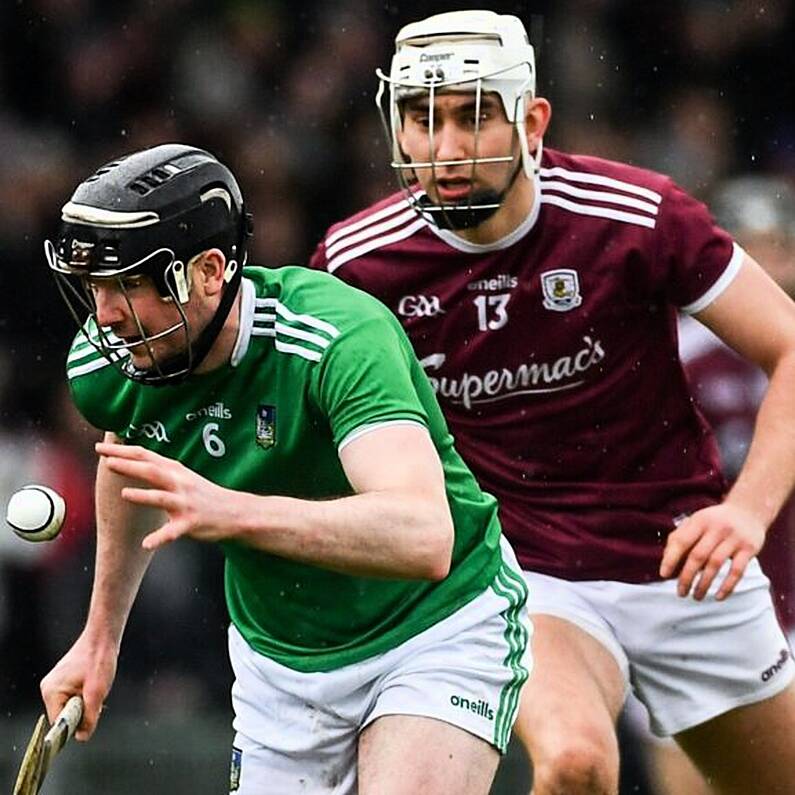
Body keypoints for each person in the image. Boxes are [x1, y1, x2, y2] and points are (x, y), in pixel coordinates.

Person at [309, 10, 795, 794]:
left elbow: (789, 343)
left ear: (533, 120)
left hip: (685, 559)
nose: (445, 148)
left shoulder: (636, 217)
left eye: (474, 116)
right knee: (575, 763)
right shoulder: (357, 264)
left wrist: (747, 510)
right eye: (421, 120)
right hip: (525, 571)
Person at [39, 143, 531, 795]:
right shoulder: (117, 360)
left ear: (210, 270)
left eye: (127, 284)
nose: (103, 315)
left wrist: (232, 508)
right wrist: (99, 640)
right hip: (282, 663)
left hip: (434, 627)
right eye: (95, 286)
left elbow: (422, 533)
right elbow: (129, 467)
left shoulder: (336, 339)